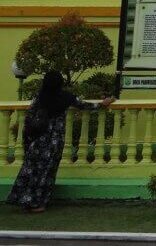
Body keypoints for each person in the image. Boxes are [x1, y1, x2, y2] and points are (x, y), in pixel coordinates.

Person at [6, 71, 115, 212]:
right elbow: (84, 105)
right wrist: (103, 104)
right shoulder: (65, 97)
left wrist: (27, 138)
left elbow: (29, 117)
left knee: (31, 170)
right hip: (55, 140)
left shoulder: (39, 97)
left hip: (39, 139)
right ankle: (40, 203)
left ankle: (25, 199)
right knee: (47, 173)